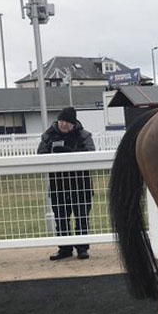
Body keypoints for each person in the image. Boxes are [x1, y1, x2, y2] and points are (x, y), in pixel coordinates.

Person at [37, 106, 95, 260]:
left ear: (73, 124)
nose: (63, 125)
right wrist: (53, 154)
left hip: (81, 185)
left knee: (82, 218)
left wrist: (70, 153)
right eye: (61, 121)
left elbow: (91, 153)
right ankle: (64, 248)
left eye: (67, 122)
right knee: (61, 219)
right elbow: (40, 155)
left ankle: (82, 248)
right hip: (58, 186)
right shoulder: (48, 136)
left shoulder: (84, 136)